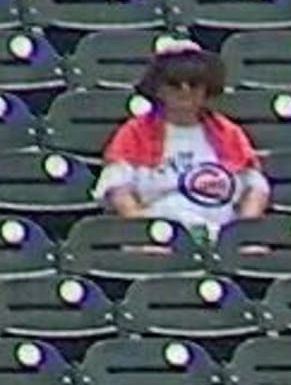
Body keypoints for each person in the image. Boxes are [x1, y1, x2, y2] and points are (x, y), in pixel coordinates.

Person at [92, 38, 270, 236]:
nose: (185, 91)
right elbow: (118, 188)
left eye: (194, 84)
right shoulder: (133, 133)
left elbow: (255, 189)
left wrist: (243, 235)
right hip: (160, 236)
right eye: (174, 84)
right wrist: (145, 233)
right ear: (158, 89)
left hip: (221, 233)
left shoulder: (230, 133)